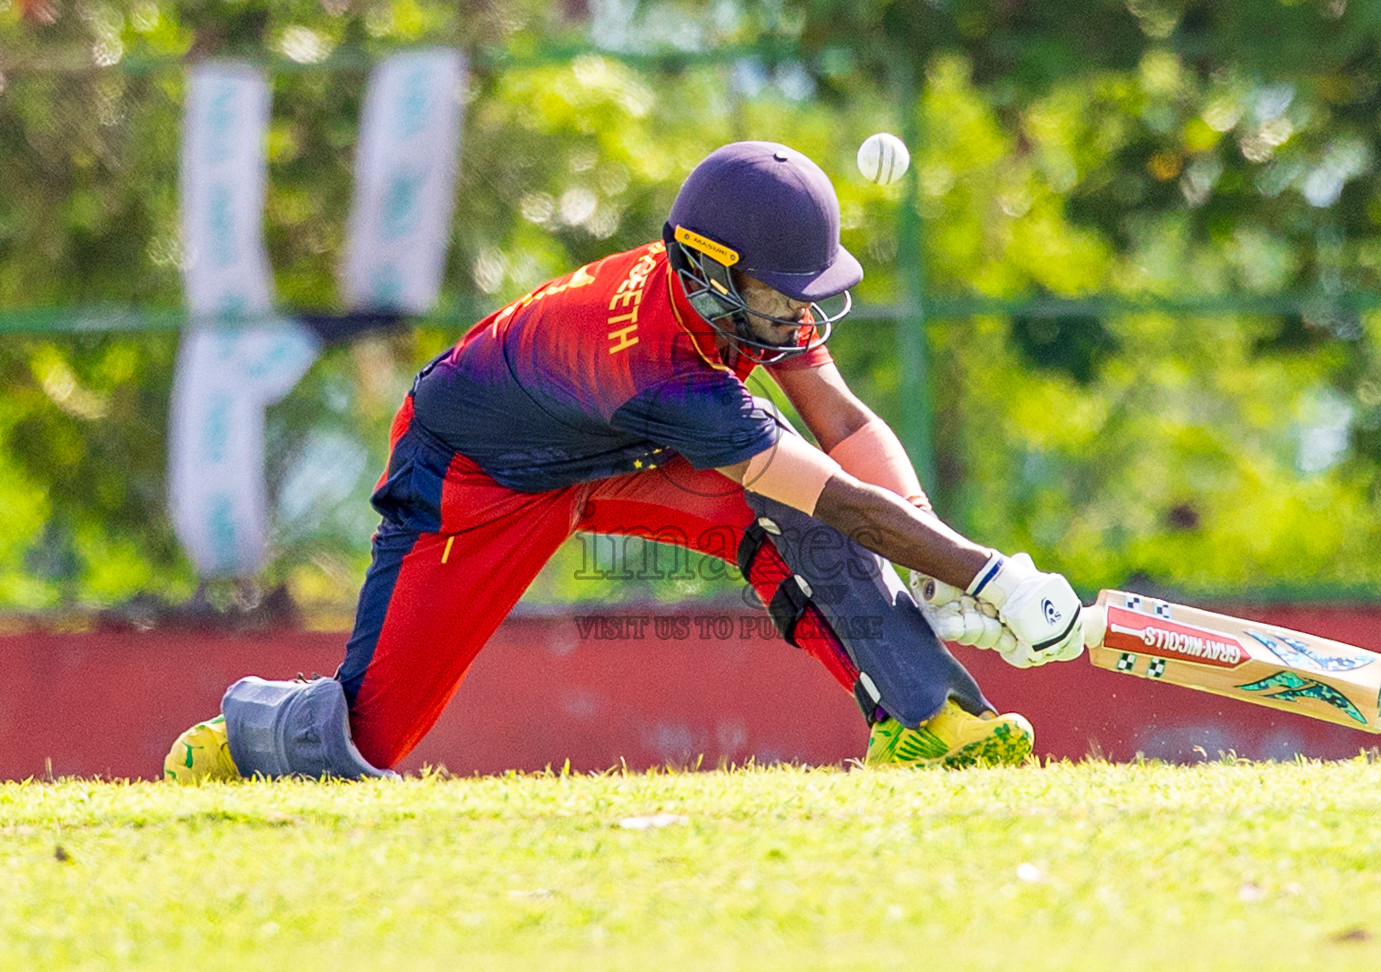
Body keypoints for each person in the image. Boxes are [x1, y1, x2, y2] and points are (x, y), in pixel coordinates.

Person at [163, 141, 1085, 783]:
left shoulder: (731, 296)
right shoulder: (663, 370)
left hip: (612, 451)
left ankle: (926, 723)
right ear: (712, 270)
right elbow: (841, 495)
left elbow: (841, 421)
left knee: (782, 520)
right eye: (781, 293)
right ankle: (247, 738)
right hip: (476, 475)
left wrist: (939, 558)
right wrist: (991, 576)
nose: (797, 311)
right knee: (372, 735)